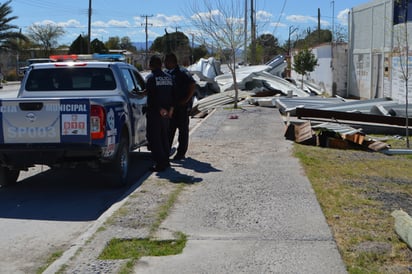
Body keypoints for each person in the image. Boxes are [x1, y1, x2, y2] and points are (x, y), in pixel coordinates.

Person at [164, 53, 196, 160]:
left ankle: (180, 153)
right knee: (169, 130)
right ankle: (166, 151)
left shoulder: (182, 73)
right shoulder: (166, 73)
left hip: (182, 107)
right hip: (171, 107)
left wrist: (186, 100)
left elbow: (192, 85)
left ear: (172, 62)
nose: (164, 63)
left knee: (182, 131)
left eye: (166, 61)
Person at [145, 55, 175, 172]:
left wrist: (159, 109)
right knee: (164, 137)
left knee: (154, 138)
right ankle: (166, 161)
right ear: (161, 64)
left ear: (151, 65)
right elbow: (173, 94)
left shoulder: (151, 78)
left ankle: (160, 164)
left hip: (155, 113)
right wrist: (171, 109)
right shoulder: (169, 77)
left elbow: (152, 97)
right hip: (167, 113)